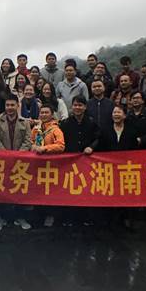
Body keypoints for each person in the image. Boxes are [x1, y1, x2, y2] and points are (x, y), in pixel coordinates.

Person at [0, 94, 33, 231]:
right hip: (3, 161)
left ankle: (20, 217)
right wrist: (6, 155)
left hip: (20, 162)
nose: (9, 107)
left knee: (19, 190)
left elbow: (28, 141)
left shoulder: (24, 122)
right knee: (2, 190)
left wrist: (17, 155)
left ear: (17, 106)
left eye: (12, 105)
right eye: (7, 105)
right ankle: (2, 218)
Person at [59, 96, 100, 226]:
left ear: (85, 107)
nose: (77, 107)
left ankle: (85, 217)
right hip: (69, 163)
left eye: (80, 105)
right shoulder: (65, 123)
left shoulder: (92, 122)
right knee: (70, 189)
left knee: (86, 188)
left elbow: (98, 138)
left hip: (86, 162)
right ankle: (69, 218)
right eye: (75, 105)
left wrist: (91, 147)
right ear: (72, 107)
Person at [98, 105, 138, 229]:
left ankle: (126, 218)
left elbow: (135, 150)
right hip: (109, 168)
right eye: (114, 112)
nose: (116, 115)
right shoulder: (105, 130)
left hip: (126, 168)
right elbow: (101, 147)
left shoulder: (131, 131)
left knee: (126, 193)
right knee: (110, 193)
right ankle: (109, 218)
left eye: (119, 112)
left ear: (124, 115)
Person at [31, 104, 65, 227]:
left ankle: (51, 215)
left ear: (51, 114)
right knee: (38, 190)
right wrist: (33, 146)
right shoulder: (36, 129)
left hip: (51, 166)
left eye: (46, 112)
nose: (44, 115)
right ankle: (38, 215)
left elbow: (61, 146)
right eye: (42, 112)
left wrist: (45, 148)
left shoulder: (55, 129)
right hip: (37, 166)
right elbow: (30, 141)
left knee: (50, 191)